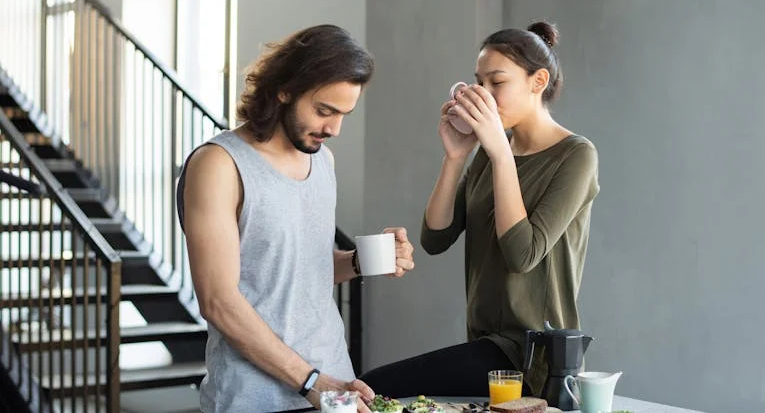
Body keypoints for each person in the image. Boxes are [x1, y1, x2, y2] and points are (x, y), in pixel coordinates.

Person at [177, 24, 416, 413]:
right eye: (324, 111)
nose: (334, 128)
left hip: (335, 387)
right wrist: (310, 382)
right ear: (284, 88)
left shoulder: (322, 161)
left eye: (343, 115)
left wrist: (360, 261)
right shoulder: (219, 165)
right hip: (253, 399)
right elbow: (218, 300)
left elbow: (299, 269)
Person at [360, 21, 599, 398]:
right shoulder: (490, 153)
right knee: (376, 390)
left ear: (537, 82)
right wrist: (456, 157)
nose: (484, 95)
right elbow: (435, 238)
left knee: (373, 388)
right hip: (486, 343)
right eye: (479, 82)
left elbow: (523, 253)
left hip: (533, 355)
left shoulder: (575, 156)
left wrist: (500, 153)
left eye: (497, 83)